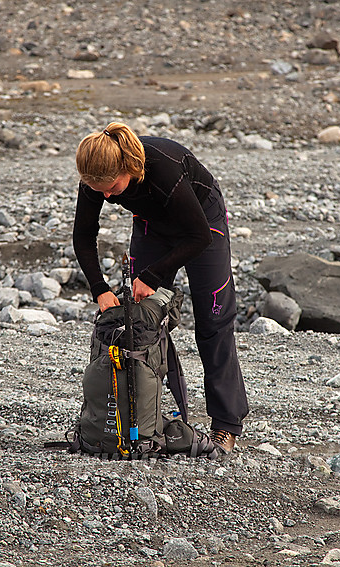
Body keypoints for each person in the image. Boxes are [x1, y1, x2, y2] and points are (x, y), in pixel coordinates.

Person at [72, 122, 248, 454]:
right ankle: (147, 415)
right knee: (140, 321)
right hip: (151, 222)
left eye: (111, 188)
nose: (106, 197)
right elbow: (82, 236)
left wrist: (153, 276)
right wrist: (99, 289)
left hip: (202, 220)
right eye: (99, 191)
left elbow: (198, 237)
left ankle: (226, 424)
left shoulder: (162, 167)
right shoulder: (96, 176)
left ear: (126, 168)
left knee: (213, 324)